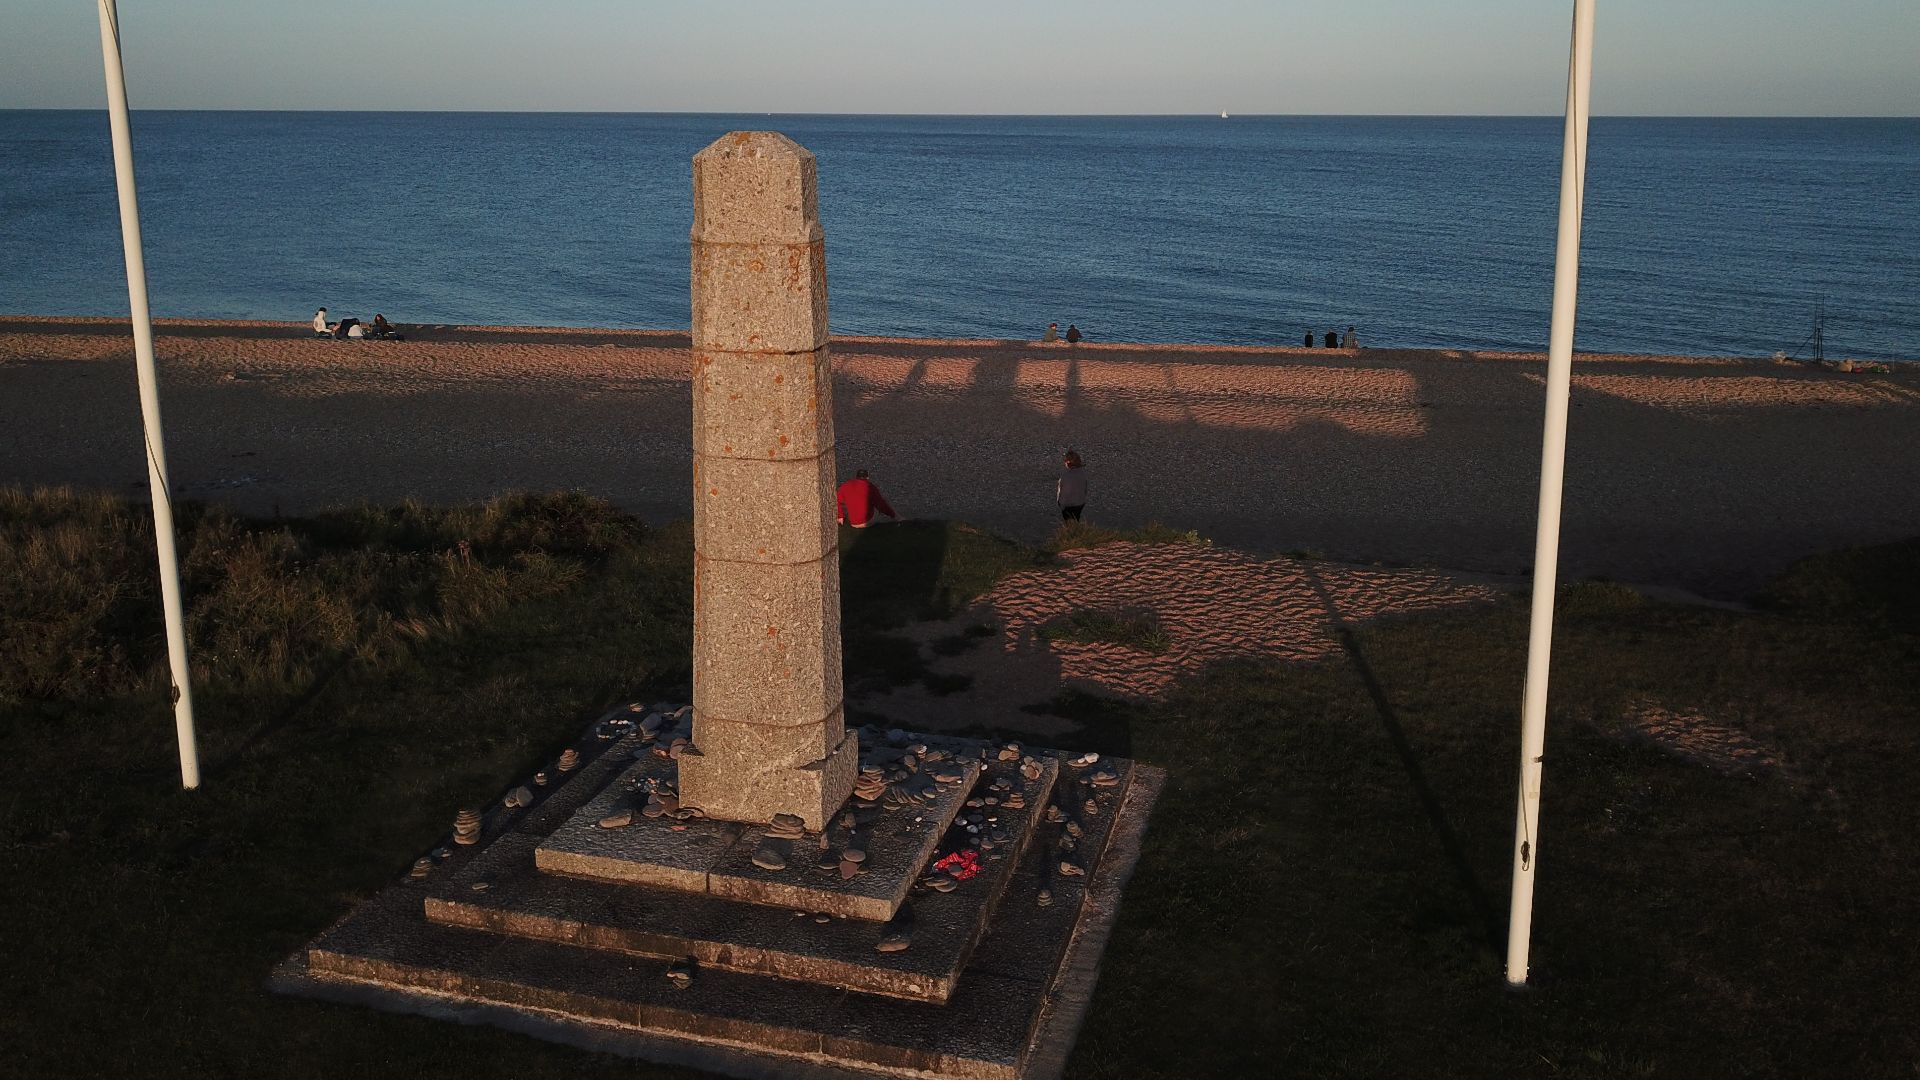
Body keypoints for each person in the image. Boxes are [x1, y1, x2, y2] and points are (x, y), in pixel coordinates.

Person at [1057, 450, 1088, 522]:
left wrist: (1060, 503)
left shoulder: (1065, 476)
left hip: (1066, 505)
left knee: (1067, 521)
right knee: (1076, 518)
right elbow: (1085, 490)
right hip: (1079, 503)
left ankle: (1070, 531)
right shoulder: (1083, 475)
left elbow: (1061, 492)